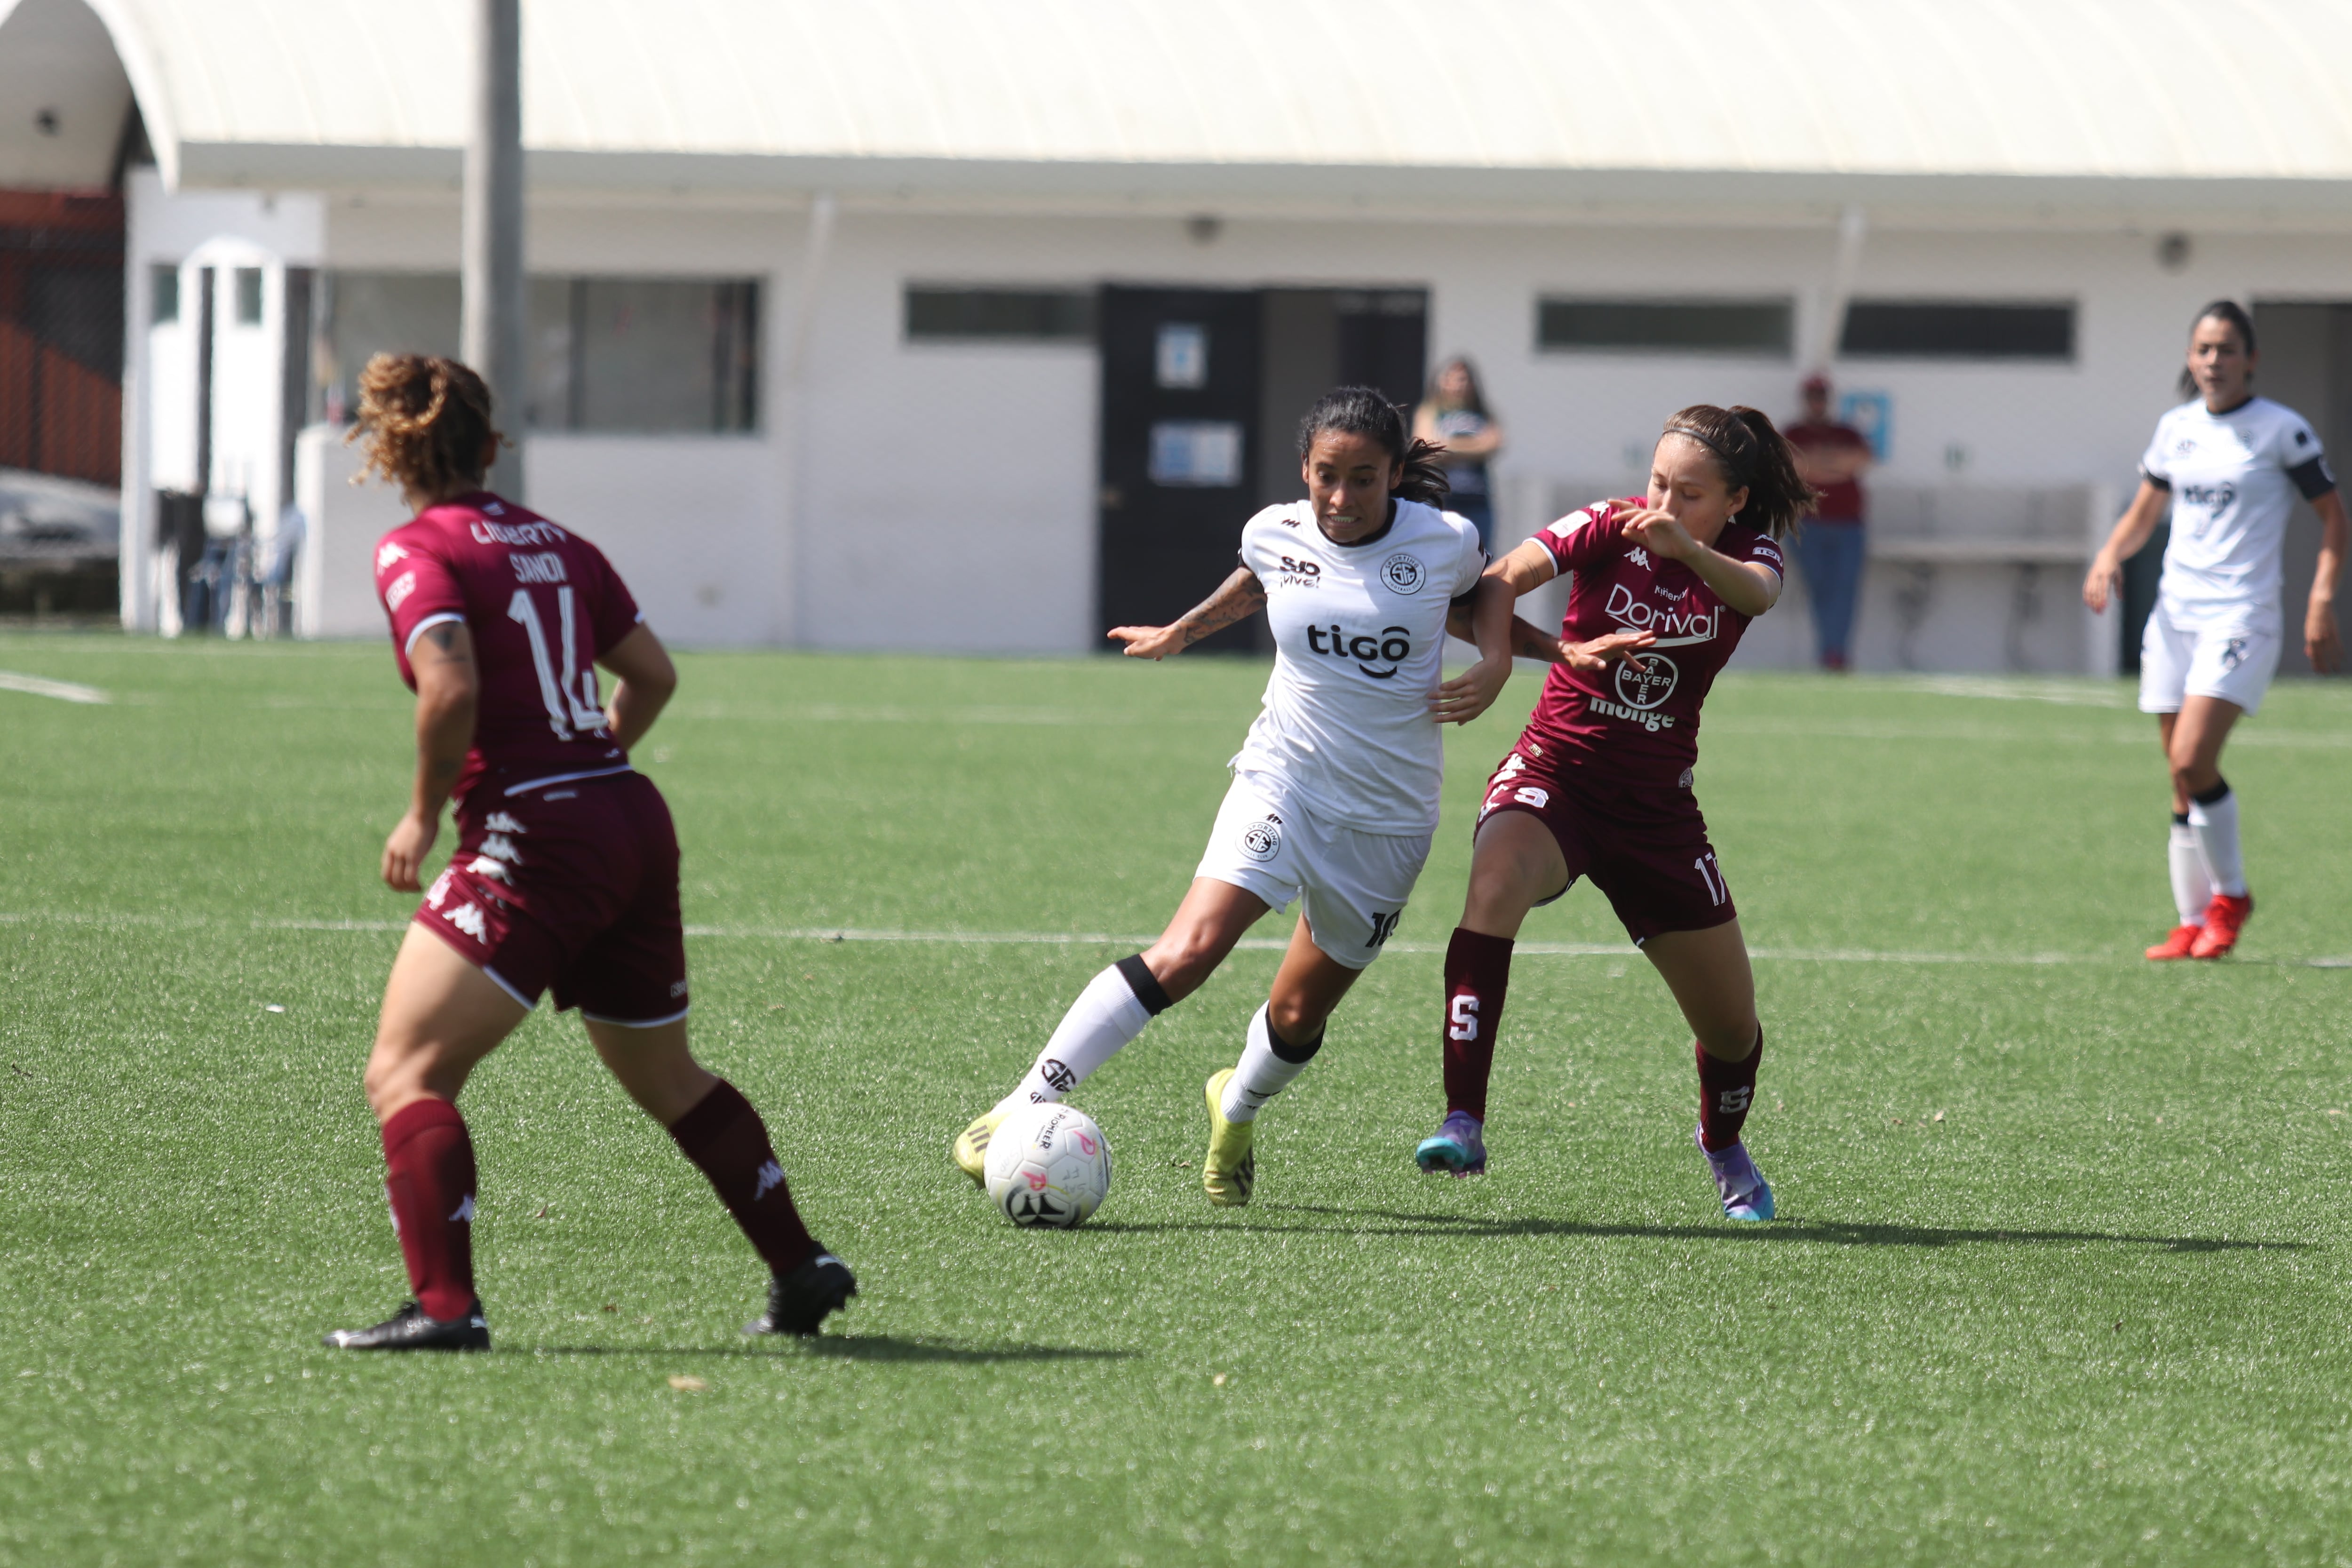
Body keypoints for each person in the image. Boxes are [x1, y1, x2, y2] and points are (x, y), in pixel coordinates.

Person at [326, 353, 854, 1351]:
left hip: (537, 833)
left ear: (390, 449)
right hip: (629, 817)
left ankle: (445, 1308)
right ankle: (801, 1262)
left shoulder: (414, 551)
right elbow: (652, 675)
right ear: (490, 447)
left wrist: (420, 815)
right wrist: (593, 761)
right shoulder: (561, 544)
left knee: (405, 1072)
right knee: (668, 1078)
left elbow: (450, 691)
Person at [954, 387, 1549, 1208]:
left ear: (1397, 475)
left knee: (1299, 1014)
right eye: (1326, 477)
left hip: (1387, 820)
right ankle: (1024, 1101)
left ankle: (1234, 1109)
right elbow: (1256, 583)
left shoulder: (1442, 540)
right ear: (1304, 469)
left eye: (1365, 479)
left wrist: (1515, 658)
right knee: (1189, 948)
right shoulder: (1276, 531)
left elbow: (1482, 598)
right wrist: (1181, 631)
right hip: (1284, 778)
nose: (1341, 499)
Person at [1413, 405, 1812, 1225]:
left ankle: (1723, 1143)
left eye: (1689, 493)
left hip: (1658, 813)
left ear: (1735, 500)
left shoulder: (1747, 552)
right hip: (1556, 776)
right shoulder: (1605, 523)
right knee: (1493, 885)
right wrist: (1497, 658)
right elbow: (1500, 578)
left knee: (1734, 1030)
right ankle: (1463, 1117)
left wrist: (1690, 550)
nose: (1662, 503)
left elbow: (1761, 596)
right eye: (1658, 482)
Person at [2084, 300, 2344, 962]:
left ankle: (2232, 895)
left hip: (2241, 616)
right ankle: (2193, 919)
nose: (2213, 362)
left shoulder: (2281, 431)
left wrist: (2320, 599)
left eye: (2227, 349)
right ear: (2190, 358)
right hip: (2175, 616)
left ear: (2251, 359)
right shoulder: (2177, 429)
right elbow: (2146, 512)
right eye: (2203, 349)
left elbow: (2333, 519)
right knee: (2178, 777)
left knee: (2193, 760)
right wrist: (2110, 556)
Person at [1783, 372, 1873, 670]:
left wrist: (1817, 463)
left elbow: (1858, 462)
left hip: (1849, 525)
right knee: (1820, 588)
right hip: (1808, 526)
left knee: (1845, 590)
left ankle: (1836, 655)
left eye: (1821, 397)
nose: (1817, 403)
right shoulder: (1793, 433)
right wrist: (1832, 465)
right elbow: (1797, 468)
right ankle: (1829, 651)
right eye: (1812, 397)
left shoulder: (1847, 432)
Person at [1413, 357, 1505, 553]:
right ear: (1442, 381)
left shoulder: (1483, 413)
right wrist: (1473, 447)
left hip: (1478, 499)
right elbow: (1426, 448)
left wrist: (1447, 447)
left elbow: (1493, 445)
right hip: (1442, 500)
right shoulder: (1431, 411)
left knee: (1481, 556)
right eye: (1451, 379)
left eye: (1462, 379)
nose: (1457, 385)